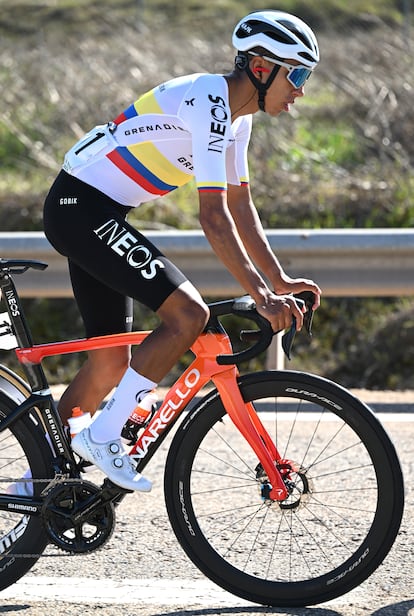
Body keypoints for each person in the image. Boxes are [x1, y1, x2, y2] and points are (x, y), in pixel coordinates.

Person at [43, 9, 322, 492]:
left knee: (109, 363)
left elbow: (240, 206)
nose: (300, 88)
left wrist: (277, 282)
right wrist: (259, 294)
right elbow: (212, 217)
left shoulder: (238, 120)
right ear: (261, 68)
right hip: (80, 209)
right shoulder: (208, 102)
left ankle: (42, 482)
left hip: (96, 212)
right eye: (295, 74)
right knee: (187, 315)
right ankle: (106, 432)